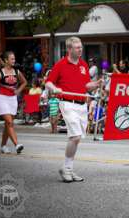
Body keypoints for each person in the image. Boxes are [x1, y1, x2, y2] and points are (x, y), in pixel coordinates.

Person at [46, 36, 102, 183]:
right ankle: (67, 168)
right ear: (69, 49)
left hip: (82, 104)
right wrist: (55, 88)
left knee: (76, 139)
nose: (81, 49)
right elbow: (49, 82)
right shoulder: (60, 64)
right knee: (75, 136)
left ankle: (68, 168)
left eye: (81, 47)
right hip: (67, 103)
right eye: (78, 47)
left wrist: (97, 83)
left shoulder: (83, 64)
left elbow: (86, 85)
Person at [0, 51, 27, 154]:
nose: (14, 60)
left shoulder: (16, 72)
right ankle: (17, 144)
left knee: (8, 124)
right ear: (6, 60)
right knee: (9, 122)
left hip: (12, 100)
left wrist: (18, 90)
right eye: (12, 59)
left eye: (14, 58)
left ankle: (3, 146)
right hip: (2, 98)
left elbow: (24, 82)